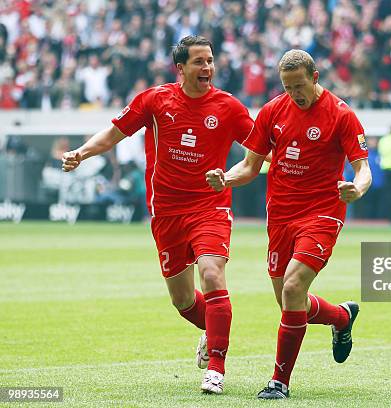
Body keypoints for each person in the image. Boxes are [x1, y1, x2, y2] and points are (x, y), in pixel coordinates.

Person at [61, 35, 255, 394]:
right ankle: (213, 328)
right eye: (199, 61)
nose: (208, 68)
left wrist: (235, 175)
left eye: (210, 60)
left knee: (212, 273)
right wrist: (82, 152)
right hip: (166, 211)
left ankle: (216, 366)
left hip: (210, 205)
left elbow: (260, 150)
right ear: (180, 68)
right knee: (182, 300)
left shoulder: (229, 107)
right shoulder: (156, 100)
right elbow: (113, 134)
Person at [206, 49, 371, 399]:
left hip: (323, 213)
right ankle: (341, 318)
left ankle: (279, 382)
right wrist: (226, 178)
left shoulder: (341, 114)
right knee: (288, 302)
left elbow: (362, 168)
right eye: (287, 86)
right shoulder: (272, 111)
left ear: (315, 77)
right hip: (280, 213)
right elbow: (250, 166)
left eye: (299, 85)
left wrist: (356, 188)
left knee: (294, 288)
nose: (294, 93)